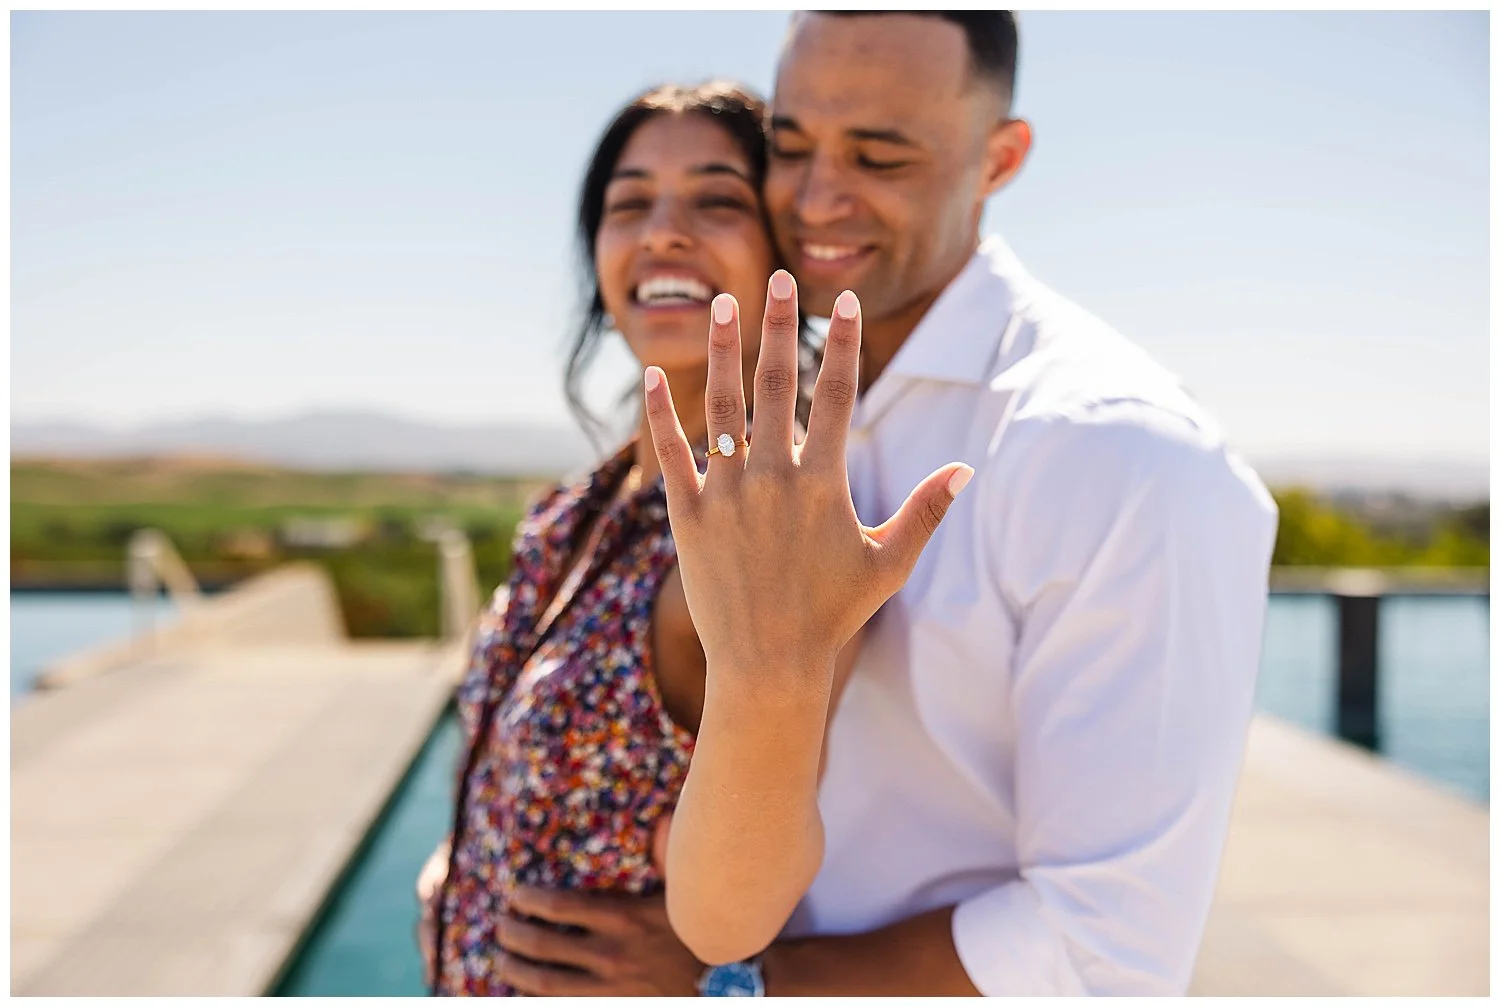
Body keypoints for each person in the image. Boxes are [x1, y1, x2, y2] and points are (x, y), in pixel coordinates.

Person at [493, 10, 1279, 997]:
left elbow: (1107, 948)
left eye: (879, 155)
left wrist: (733, 981)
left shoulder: (1116, 450)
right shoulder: (791, 414)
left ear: (999, 159)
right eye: (790, 146)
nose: (818, 198)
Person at [413, 80, 863, 996]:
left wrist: (718, 965)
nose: (662, 231)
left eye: (716, 199)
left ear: (786, 252)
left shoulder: (773, 525)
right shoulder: (580, 507)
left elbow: (760, 874)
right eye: (629, 204)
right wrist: (461, 863)